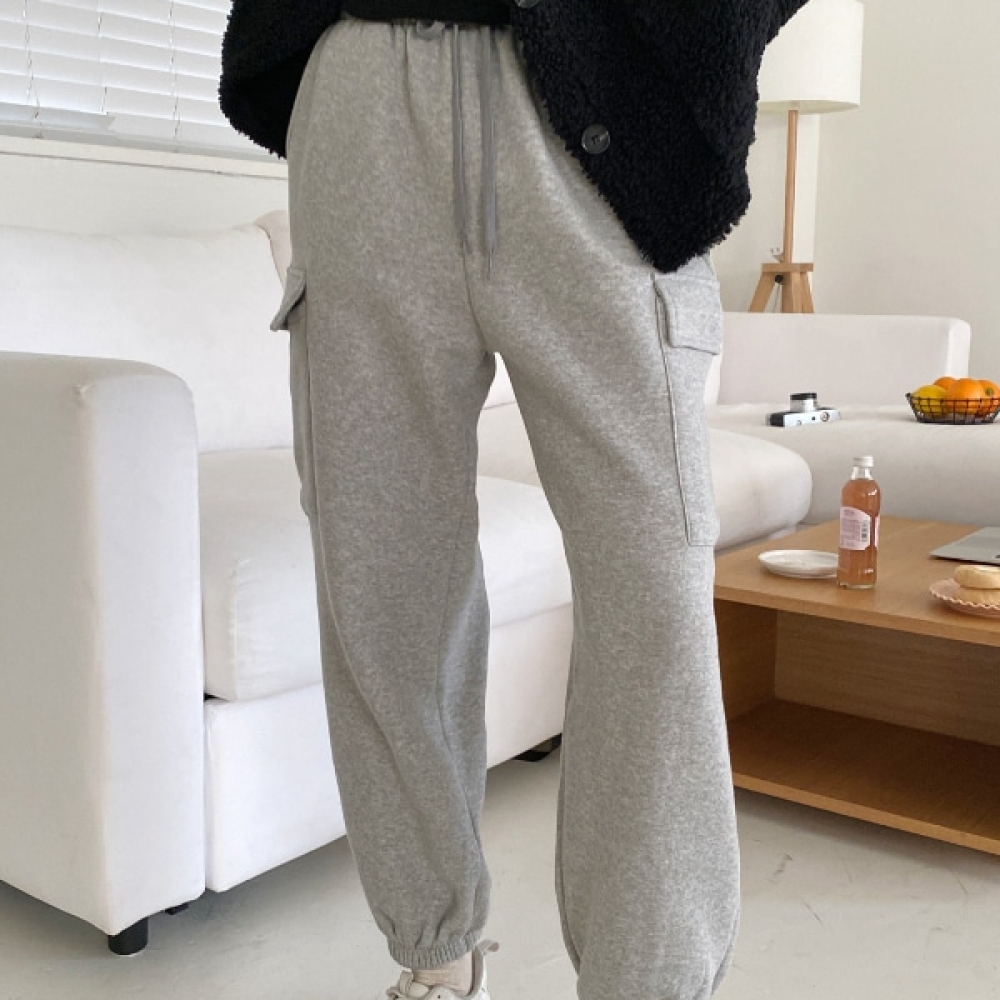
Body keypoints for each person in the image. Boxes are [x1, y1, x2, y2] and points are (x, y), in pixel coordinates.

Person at [219, 2, 810, 998]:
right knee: (385, 584)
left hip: (600, 103)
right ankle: (436, 958)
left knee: (653, 583)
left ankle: (648, 983)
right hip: (364, 100)